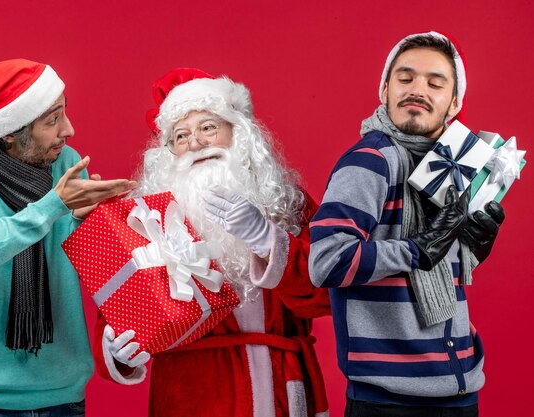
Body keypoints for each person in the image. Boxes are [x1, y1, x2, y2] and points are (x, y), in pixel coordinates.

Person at [94, 68, 331, 417]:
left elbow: (326, 294)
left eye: (208, 128)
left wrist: (267, 239)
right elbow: (116, 316)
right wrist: (115, 350)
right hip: (192, 393)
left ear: (240, 133)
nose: (195, 143)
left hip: (281, 388)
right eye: (180, 135)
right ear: (168, 151)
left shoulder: (288, 202)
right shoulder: (146, 222)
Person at [308, 32, 505, 417]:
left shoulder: (452, 164)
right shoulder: (370, 160)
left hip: (460, 388)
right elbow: (326, 262)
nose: (418, 90)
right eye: (405, 78)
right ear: (384, 89)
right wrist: (419, 248)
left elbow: (437, 274)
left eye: (435, 83)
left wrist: (474, 250)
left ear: (454, 102)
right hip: (389, 401)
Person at [0, 59, 139, 416]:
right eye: (52, 120)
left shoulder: (66, 163)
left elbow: (75, 262)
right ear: (11, 132)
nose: (68, 130)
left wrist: (94, 224)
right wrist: (53, 205)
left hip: (63, 394)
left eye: (64, 113)